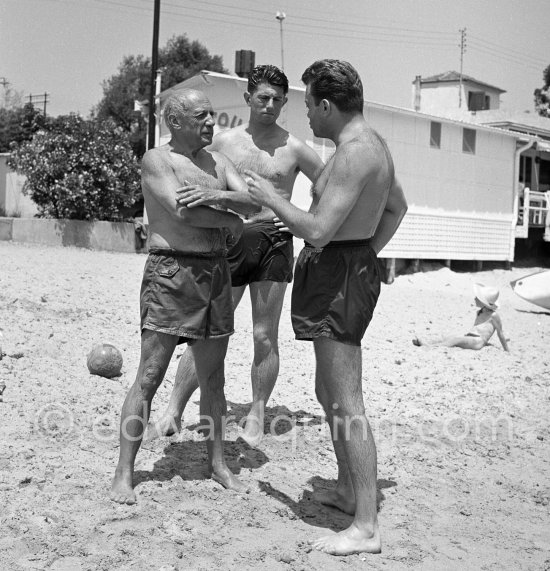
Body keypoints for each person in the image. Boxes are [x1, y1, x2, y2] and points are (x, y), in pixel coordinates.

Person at [246, 59, 408, 556]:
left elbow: (316, 229)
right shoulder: (365, 144)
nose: (306, 117)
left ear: (326, 104)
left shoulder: (358, 152)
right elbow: (398, 207)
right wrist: (366, 254)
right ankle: (347, 488)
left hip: (339, 275)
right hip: (344, 268)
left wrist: (272, 199)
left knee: (345, 400)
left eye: (309, 103)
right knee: (327, 389)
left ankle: (366, 526)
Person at [150, 65, 324, 446]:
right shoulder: (222, 142)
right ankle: (174, 408)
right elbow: (191, 175)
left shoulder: (294, 148)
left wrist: (304, 224)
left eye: (278, 99)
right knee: (205, 331)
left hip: (273, 243)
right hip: (228, 240)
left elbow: (327, 185)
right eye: (263, 97)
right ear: (248, 98)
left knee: (264, 334)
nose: (270, 105)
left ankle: (258, 412)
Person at [110, 89, 260, 504]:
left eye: (212, 113)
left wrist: (219, 199)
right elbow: (180, 210)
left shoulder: (219, 162)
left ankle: (218, 464)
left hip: (215, 273)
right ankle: (124, 472)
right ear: (175, 121)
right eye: (201, 115)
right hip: (172, 271)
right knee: (150, 376)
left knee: (214, 378)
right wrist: (229, 219)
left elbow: (254, 202)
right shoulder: (158, 160)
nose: (212, 121)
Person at [413, 283, 510, 351]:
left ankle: (430, 346)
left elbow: (500, 333)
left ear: (484, 303)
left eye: (478, 298)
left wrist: (507, 350)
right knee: (448, 337)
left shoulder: (493, 315)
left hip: (478, 341)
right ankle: (427, 341)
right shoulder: (480, 312)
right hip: (471, 337)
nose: (475, 298)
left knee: (456, 340)